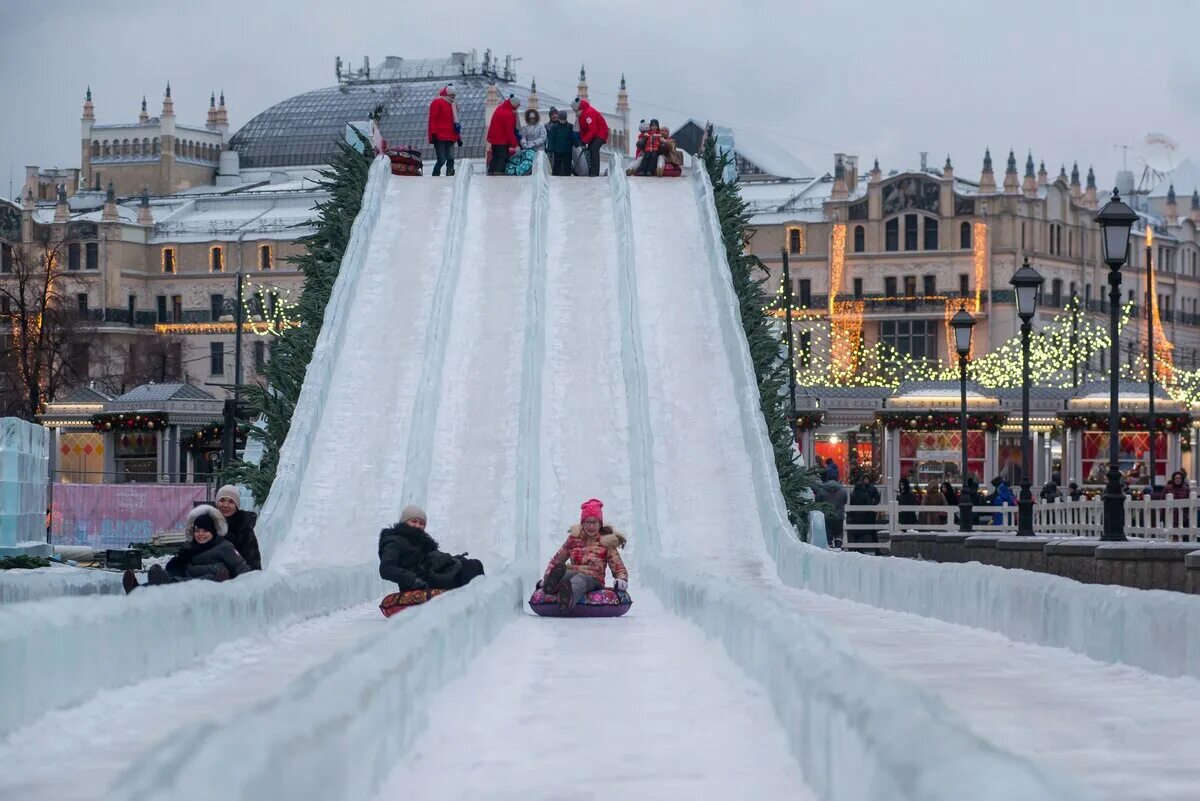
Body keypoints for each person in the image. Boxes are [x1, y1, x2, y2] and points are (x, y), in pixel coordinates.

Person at [123, 505, 250, 593]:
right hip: (187, 580)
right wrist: (174, 567)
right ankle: (136, 590)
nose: (201, 534)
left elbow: (242, 568)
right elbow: (178, 566)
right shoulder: (190, 547)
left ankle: (163, 585)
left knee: (192, 581)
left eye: (205, 531)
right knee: (174, 581)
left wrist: (238, 585)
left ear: (213, 532)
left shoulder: (225, 547)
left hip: (212, 583)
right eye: (197, 531)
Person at [543, 498, 628, 612]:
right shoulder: (573, 539)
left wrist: (621, 580)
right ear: (582, 523)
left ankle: (567, 599)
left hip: (593, 578)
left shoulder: (606, 542)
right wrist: (548, 575)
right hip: (573, 571)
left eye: (594, 522)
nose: (591, 526)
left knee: (580, 580)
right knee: (563, 573)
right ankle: (551, 585)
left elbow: (618, 567)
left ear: (600, 524)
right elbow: (556, 560)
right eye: (588, 522)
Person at [378, 505, 485, 593]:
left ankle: (477, 604)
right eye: (414, 521)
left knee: (473, 565)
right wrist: (413, 579)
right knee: (470, 569)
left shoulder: (422, 542)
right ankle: (473, 606)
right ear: (404, 522)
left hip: (433, 575)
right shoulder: (394, 542)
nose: (418, 525)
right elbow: (386, 568)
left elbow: (434, 558)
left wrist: (453, 559)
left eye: (421, 523)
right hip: (418, 582)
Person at [214, 484, 261, 571]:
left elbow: (251, 562)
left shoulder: (244, 528)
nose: (225, 505)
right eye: (222, 500)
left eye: (231, 502)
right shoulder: (208, 521)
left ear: (237, 506)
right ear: (217, 502)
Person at [427, 84, 462, 177]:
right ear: (447, 94)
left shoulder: (453, 105)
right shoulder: (437, 103)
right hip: (440, 136)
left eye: (454, 95)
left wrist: (458, 138)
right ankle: (435, 174)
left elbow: (455, 123)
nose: (453, 97)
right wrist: (433, 133)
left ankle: (450, 173)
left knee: (451, 158)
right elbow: (433, 119)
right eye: (451, 95)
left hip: (451, 136)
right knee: (441, 159)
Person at [571, 96, 609, 177]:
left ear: (578, 108)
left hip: (601, 133)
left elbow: (593, 130)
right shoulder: (581, 116)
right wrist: (581, 140)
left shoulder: (588, 113)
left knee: (594, 148)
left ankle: (595, 171)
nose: (574, 113)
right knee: (589, 150)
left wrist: (584, 141)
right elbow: (583, 130)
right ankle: (589, 169)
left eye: (575, 110)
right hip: (595, 134)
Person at [486, 94, 520, 175]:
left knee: (495, 158)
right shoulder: (508, 113)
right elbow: (509, 131)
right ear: (514, 105)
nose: (518, 108)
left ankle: (490, 176)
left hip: (494, 140)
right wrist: (515, 145)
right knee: (503, 158)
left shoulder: (501, 107)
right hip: (501, 141)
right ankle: (499, 176)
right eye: (518, 106)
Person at [847, 476, 881, 545]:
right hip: (865, 515)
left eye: (867, 478)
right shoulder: (864, 494)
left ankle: (857, 548)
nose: (866, 480)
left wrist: (873, 504)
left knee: (862, 532)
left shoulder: (854, 494)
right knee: (866, 532)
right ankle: (866, 548)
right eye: (864, 479)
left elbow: (851, 504)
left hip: (859, 515)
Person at [818, 477, 848, 544]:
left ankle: (829, 544)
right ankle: (838, 544)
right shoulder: (843, 491)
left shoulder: (822, 490)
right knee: (839, 532)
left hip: (826, 516)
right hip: (839, 516)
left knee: (828, 532)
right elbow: (845, 501)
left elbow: (818, 502)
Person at [546, 108, 574, 176]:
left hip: (567, 150)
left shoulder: (570, 127)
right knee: (556, 165)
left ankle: (567, 176)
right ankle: (555, 177)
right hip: (557, 150)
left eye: (564, 119)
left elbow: (573, 137)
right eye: (561, 119)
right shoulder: (554, 127)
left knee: (567, 165)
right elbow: (551, 139)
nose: (562, 121)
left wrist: (574, 144)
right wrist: (550, 149)